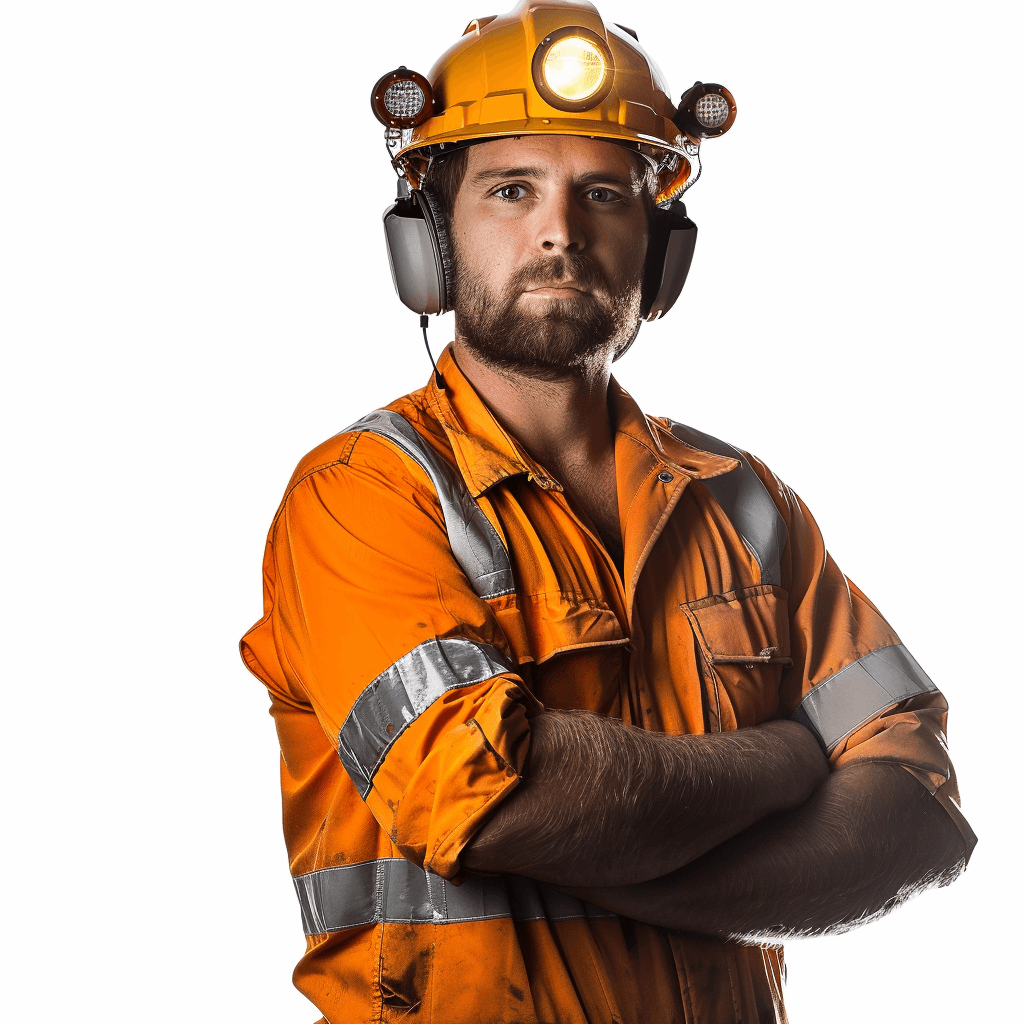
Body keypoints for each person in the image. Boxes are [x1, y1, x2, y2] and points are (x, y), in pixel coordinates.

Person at [239, 2, 976, 1021]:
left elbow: (921, 811)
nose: (558, 230)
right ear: (431, 245)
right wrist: (790, 758)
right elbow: (495, 796)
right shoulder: (363, 494)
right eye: (509, 189)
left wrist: (635, 868)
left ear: (660, 247)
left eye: (603, 192)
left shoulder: (748, 503)